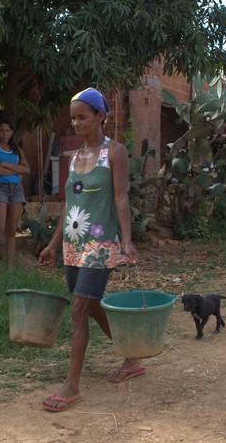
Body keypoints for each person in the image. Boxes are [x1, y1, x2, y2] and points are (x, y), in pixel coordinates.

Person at [38, 87, 141, 412]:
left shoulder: (115, 153)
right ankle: (132, 356)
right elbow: (71, 206)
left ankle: (71, 387)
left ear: (100, 116)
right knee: (91, 306)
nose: (76, 123)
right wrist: (53, 244)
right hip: (73, 243)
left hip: (99, 244)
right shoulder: (74, 158)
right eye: (73, 118)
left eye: (83, 116)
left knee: (80, 308)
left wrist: (126, 239)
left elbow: (121, 197)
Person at [0, 117, 30, 266]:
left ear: (12, 132)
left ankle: (9, 269)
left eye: (8, 131)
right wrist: (15, 171)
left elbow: (27, 169)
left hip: (17, 190)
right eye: (2, 130)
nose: (5, 134)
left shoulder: (17, 150)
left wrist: (4, 164)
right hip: (0, 189)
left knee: (11, 229)